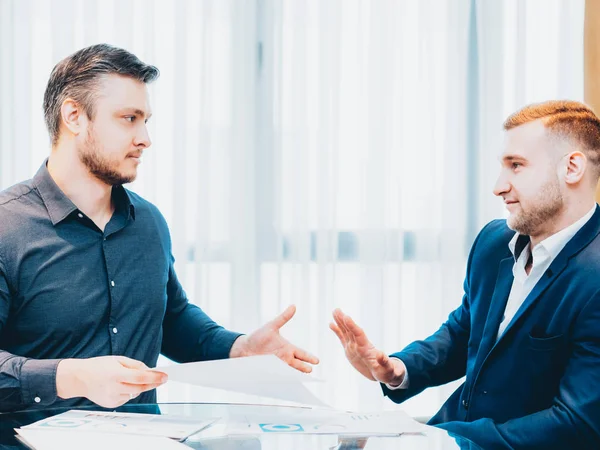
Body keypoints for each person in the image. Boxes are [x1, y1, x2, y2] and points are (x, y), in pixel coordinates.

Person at [0, 44, 318, 413]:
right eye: (129, 118)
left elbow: (171, 318)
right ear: (73, 115)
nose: (145, 139)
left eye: (146, 120)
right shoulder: (8, 227)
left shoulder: (148, 222)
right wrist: (72, 376)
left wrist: (239, 348)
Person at [331, 100, 600, 449]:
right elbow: (464, 333)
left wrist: (440, 437)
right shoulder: (493, 241)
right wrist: (397, 369)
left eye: (516, 166)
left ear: (573, 168)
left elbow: (576, 423)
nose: (499, 186)